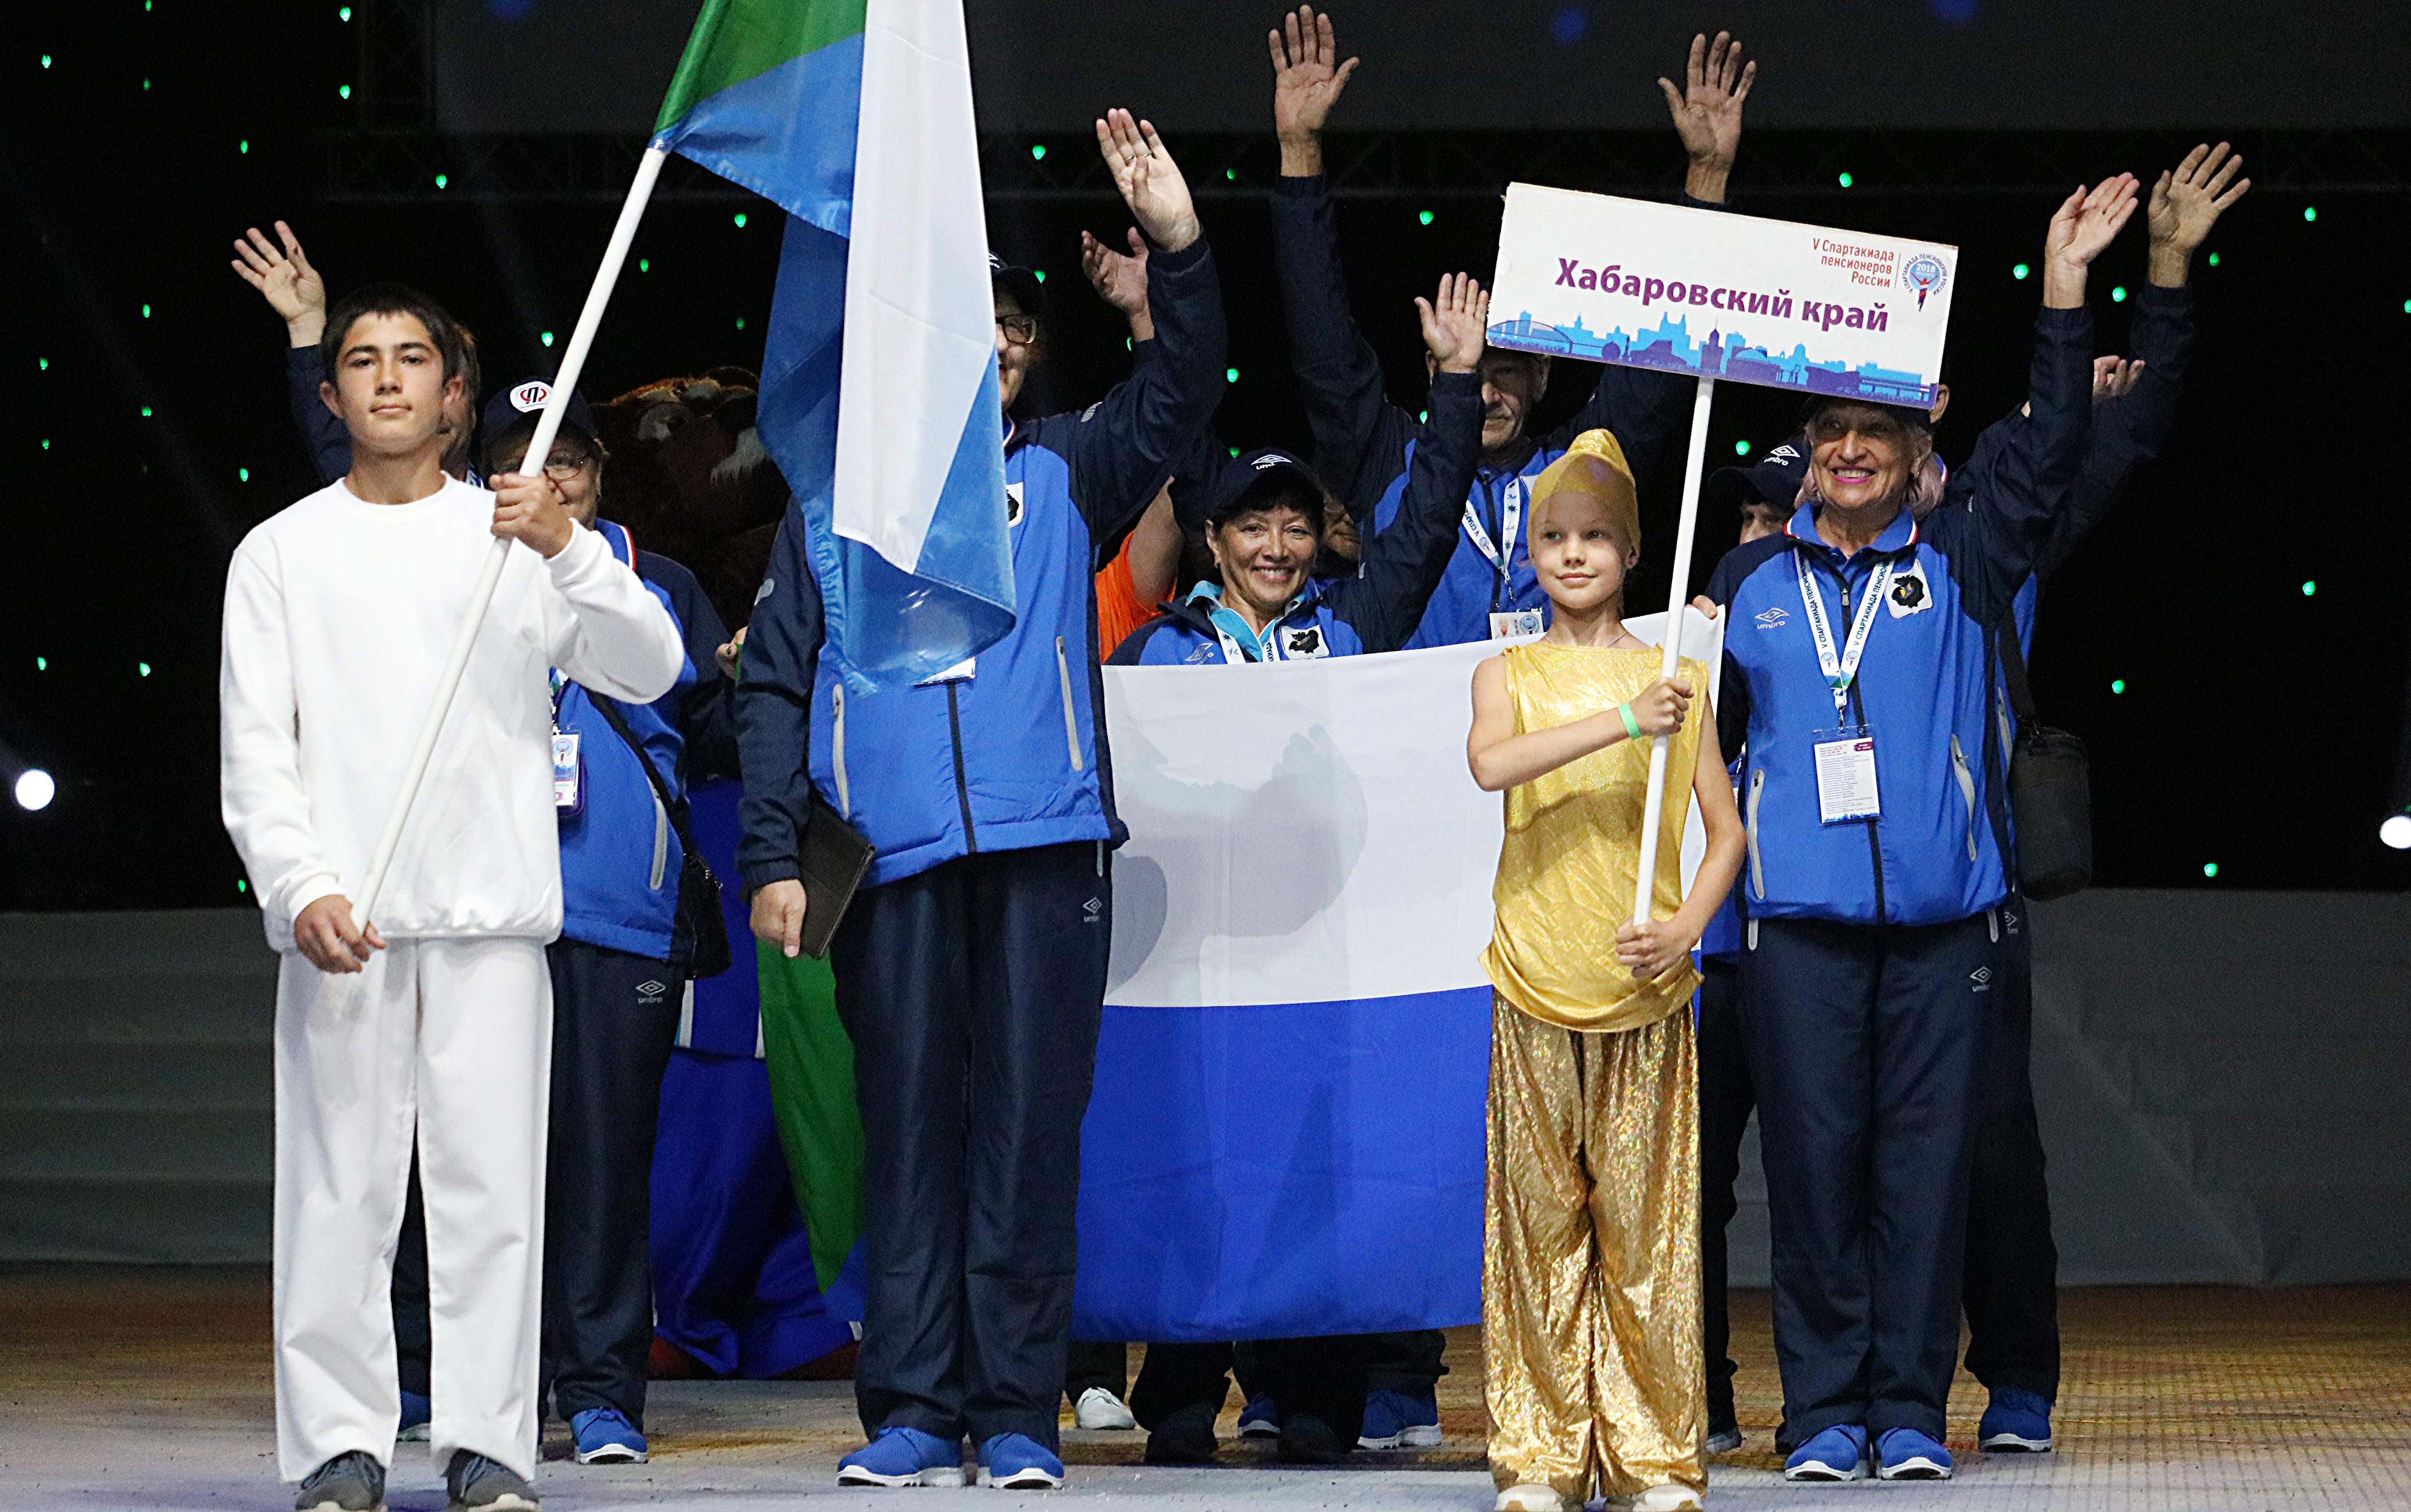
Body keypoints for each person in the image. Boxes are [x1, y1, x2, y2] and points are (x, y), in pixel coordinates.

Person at [737, 109, 1228, 1493]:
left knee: (1023, 1137)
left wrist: (1180, 245)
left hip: (1042, 853)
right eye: (968, 322)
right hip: (886, 863)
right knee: (909, 1137)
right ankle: (910, 1404)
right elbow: (772, 684)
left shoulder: (1070, 467)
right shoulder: (834, 505)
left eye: (1012, 326)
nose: (995, 343)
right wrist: (771, 851)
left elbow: (1185, 385)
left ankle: (1016, 1409)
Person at [1698, 174, 2135, 1484]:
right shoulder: (1746, 580)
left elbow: (2046, 450)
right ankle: (1822, 1411)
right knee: (1813, 1173)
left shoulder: (1963, 555)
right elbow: (1712, 752)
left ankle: (1902, 1408)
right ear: (1807, 446)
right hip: (1796, 930)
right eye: (1830, 432)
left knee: (1924, 1176)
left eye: (1874, 433)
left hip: (1945, 929)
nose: (1850, 452)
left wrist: (2061, 291)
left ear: (1911, 443)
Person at [220, 284, 684, 1512]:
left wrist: (568, 547)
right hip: (346, 929)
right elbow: (256, 750)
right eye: (361, 359)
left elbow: (652, 666)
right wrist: (301, 886)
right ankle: (340, 1443)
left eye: (412, 357)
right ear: (331, 394)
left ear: (453, 395)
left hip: (492, 923)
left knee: (491, 1195)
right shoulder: (278, 552)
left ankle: (488, 1439)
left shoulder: (513, 533)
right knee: (337, 1193)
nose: (386, 377)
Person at [1949, 141, 2246, 1457]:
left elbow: (2123, 433)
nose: (1859, 462)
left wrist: (2161, 272)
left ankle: (2015, 1378)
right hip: (1829, 900)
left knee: (1992, 1152)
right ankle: (1865, 1391)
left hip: (1971, 893)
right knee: (1856, 1162)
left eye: (1889, 443)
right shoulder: (1790, 552)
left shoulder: (1996, 530)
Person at [1267, 10, 1749, 654]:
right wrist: (1299, 154)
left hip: (1561, 713)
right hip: (1415, 716)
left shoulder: (1581, 462)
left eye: (1508, 373)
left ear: (1541, 375)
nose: (1489, 395)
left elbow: (1662, 357)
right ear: (1436, 374)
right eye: (1471, 375)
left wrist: (1706, 180)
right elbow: (1321, 342)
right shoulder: (1389, 459)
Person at [1466, 431, 1746, 1512]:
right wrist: (1622, 719)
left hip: (1643, 988)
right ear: (1531, 553)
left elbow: (1725, 832)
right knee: (1538, 1226)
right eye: (1552, 536)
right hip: (1535, 976)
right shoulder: (1508, 673)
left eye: (1594, 535)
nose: (1573, 554)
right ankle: (1539, 1455)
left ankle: (1653, 1456)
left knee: (1645, 1232)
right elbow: (1491, 762)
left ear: (1631, 550)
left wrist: (1684, 927)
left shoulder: (1676, 679)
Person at [474, 379, 741, 1467]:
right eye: (519, 461)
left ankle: (599, 1394)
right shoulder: (455, 575)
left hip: (620, 912)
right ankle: (476, 1386)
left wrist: (752, 678)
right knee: (477, 1162)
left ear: (598, 472)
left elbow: (716, 729)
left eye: (568, 460)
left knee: (603, 1164)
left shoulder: (661, 582)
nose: (547, 479)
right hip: (487, 912)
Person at [1112, 272, 1487, 667]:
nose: (1276, 550)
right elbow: (1178, 435)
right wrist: (1151, 327)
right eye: (1253, 529)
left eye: (1296, 531)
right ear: (1214, 540)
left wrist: (1456, 377)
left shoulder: (1349, 623)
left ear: (1318, 541)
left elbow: (1428, 522)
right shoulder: (1157, 650)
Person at [233, 221, 482, 484]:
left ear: (466, 402)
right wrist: (306, 324)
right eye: (366, 362)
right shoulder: (353, 497)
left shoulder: (504, 505)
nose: (430, 408)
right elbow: (328, 436)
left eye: (414, 361)